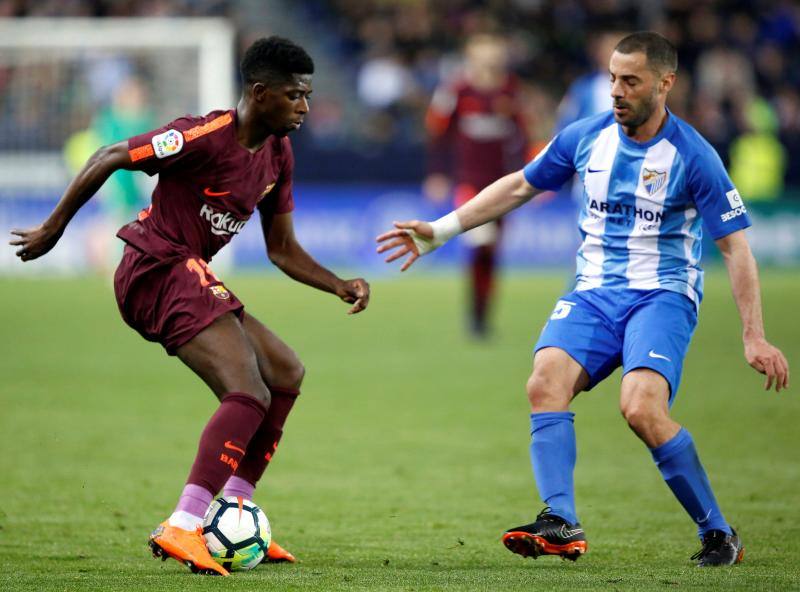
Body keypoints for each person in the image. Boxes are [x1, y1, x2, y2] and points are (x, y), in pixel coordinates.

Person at [377, 31, 789, 566]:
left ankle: (717, 533)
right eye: (613, 78)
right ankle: (560, 521)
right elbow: (521, 185)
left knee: (640, 409)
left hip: (662, 296)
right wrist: (443, 229)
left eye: (631, 81)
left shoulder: (694, 156)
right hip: (594, 293)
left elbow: (736, 249)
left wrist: (753, 335)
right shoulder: (585, 136)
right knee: (544, 382)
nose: (616, 91)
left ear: (665, 84)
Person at [10, 36, 370, 576]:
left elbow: (282, 249)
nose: (305, 107)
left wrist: (336, 283)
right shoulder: (204, 135)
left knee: (285, 373)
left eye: (309, 96)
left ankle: (236, 508)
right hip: (152, 269)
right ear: (260, 92)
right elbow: (110, 155)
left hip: (188, 274)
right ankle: (183, 525)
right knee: (246, 389)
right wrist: (53, 229)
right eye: (295, 95)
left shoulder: (277, 154)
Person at [423, 33, 528, 338]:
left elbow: (522, 136)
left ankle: (481, 315)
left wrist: (531, 177)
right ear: (471, 56)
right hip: (469, 183)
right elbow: (437, 133)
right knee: (481, 243)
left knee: (492, 252)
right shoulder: (456, 90)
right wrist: (437, 173)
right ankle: (477, 318)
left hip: (505, 184)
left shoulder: (511, 91)